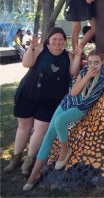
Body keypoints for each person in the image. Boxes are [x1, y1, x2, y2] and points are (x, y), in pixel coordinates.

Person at [22, 49, 104, 191]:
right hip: (66, 103)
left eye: (96, 62)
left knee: (59, 121)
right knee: (48, 136)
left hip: (80, 109)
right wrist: (86, 76)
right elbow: (74, 92)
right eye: (90, 62)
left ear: (102, 62)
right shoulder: (84, 72)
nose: (93, 65)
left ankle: (65, 150)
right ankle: (33, 176)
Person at [4, 27, 82, 176]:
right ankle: (15, 158)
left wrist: (77, 56)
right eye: (54, 39)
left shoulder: (68, 56)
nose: (57, 43)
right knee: (23, 126)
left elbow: (73, 72)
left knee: (40, 129)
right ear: (49, 40)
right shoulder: (40, 49)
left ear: (64, 41)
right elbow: (26, 64)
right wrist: (32, 47)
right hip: (28, 93)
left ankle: (29, 161)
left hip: (51, 99)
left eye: (60, 40)